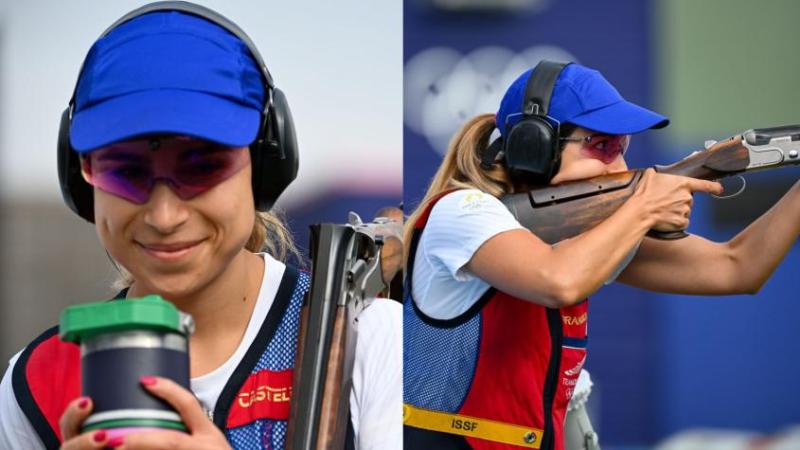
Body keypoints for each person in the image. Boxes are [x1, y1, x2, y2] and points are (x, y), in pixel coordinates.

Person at [0, 3, 401, 450]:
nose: (164, 217)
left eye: (203, 166)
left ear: (267, 162)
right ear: (80, 179)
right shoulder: (35, 380)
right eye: (125, 171)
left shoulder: (369, 337)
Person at [402, 60, 800, 450]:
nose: (622, 166)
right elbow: (558, 281)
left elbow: (737, 268)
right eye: (602, 146)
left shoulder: (588, 234)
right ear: (534, 146)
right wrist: (643, 208)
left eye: (623, 147)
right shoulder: (461, 210)